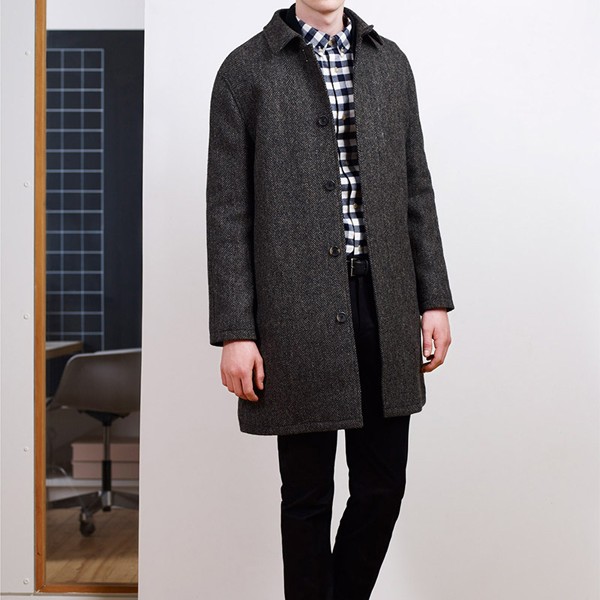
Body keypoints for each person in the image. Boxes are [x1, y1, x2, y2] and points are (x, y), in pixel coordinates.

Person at [206, 1, 455, 598]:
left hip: (386, 298)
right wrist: (236, 330)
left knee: (381, 488)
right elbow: (227, 210)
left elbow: (416, 186)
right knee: (307, 495)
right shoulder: (246, 70)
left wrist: (434, 299)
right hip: (294, 308)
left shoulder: (389, 63)